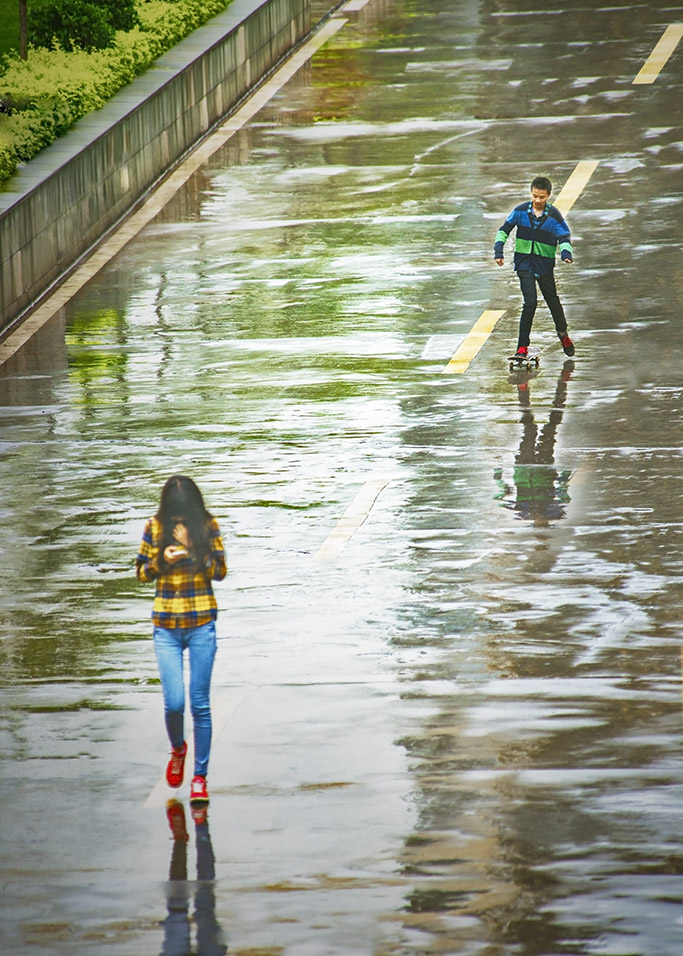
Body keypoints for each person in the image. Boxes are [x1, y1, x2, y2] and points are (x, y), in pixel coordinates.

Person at [136, 475, 227, 805]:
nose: (176, 520)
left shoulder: (206, 525)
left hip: (202, 622)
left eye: (181, 514)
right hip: (166, 627)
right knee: (174, 703)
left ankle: (199, 778)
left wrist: (192, 546)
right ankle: (178, 749)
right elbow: (142, 573)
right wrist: (164, 560)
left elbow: (219, 571)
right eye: (171, 514)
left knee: (199, 703)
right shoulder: (154, 527)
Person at [494, 175, 576, 359]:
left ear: (548, 196)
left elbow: (564, 236)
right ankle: (522, 347)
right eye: (535, 196)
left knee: (552, 301)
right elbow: (504, 230)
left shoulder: (554, 215)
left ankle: (562, 334)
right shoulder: (521, 211)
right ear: (531, 194)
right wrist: (498, 251)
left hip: (544, 265)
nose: (538, 200)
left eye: (542, 197)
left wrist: (566, 253)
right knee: (529, 302)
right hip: (524, 264)